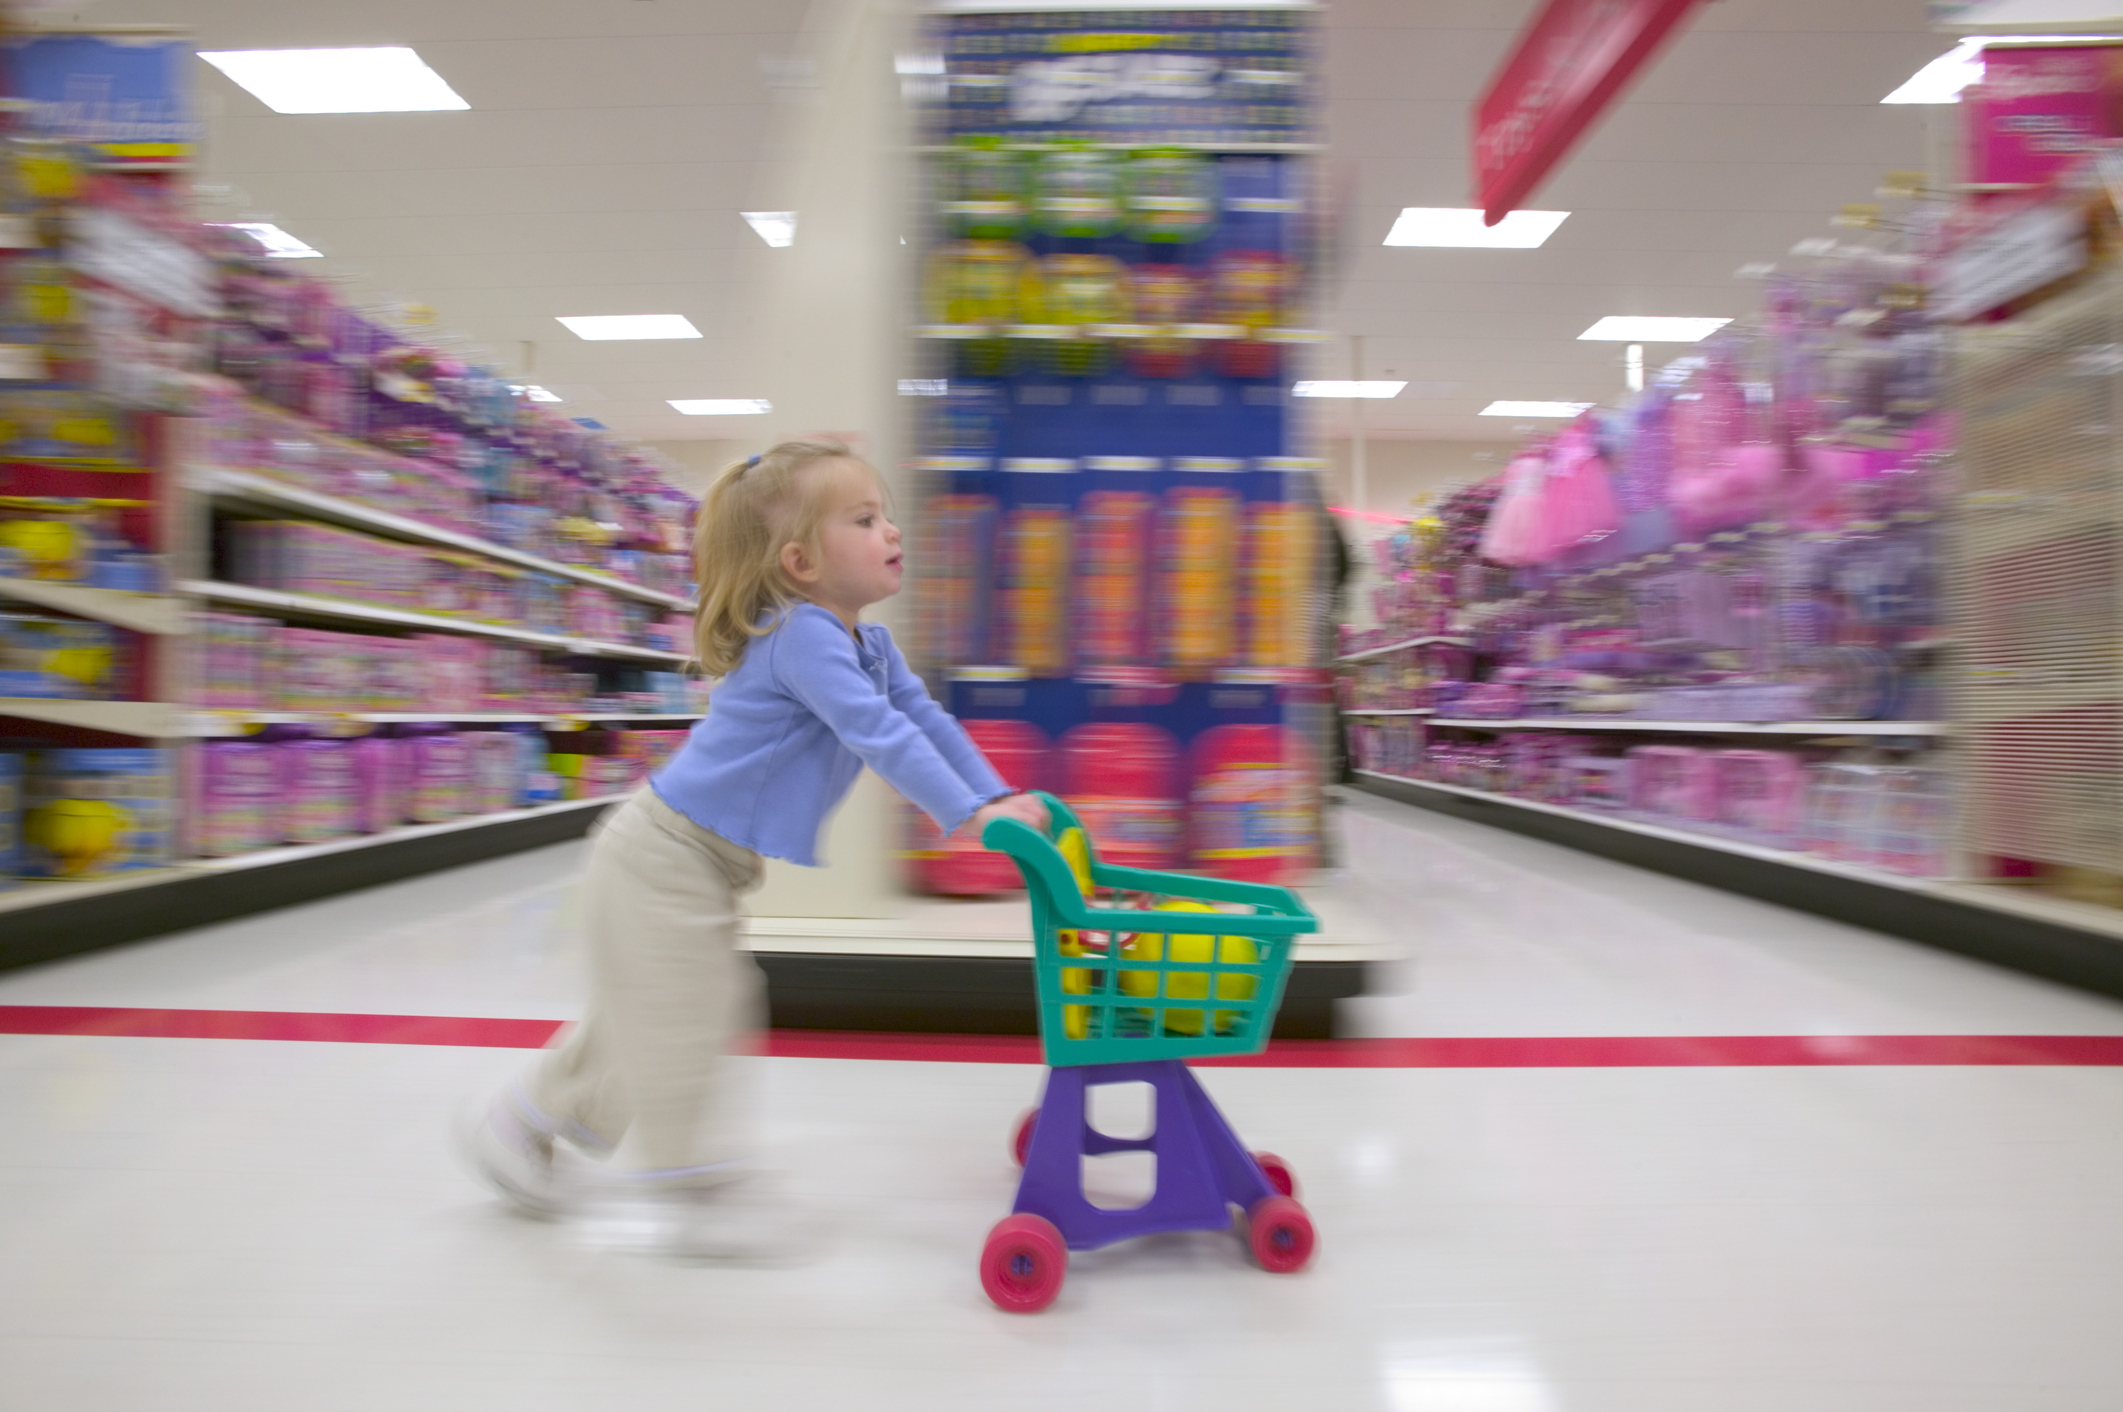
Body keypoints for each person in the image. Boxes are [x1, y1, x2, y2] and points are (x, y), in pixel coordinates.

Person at [462, 439, 1048, 1258]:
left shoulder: (868, 646)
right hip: (662, 858)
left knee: (641, 1017)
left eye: (885, 513)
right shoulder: (800, 635)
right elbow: (876, 733)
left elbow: (924, 720)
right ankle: (695, 1188)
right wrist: (970, 818)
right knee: (696, 1009)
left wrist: (989, 797)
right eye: (864, 517)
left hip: (680, 861)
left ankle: (519, 1122)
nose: (890, 529)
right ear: (801, 560)